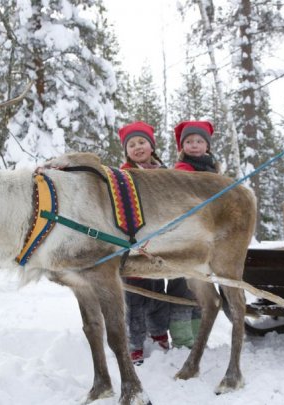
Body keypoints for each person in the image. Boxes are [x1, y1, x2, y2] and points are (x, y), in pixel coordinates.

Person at [118, 121, 170, 365]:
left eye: (141, 142)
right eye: (132, 144)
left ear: (151, 146)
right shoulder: (122, 175)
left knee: (157, 291)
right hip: (133, 242)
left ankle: (159, 334)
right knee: (134, 297)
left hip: (159, 241)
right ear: (126, 151)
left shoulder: (164, 172)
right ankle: (135, 343)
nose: (137, 147)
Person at [167, 120, 219, 348]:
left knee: (201, 286)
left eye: (199, 141)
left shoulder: (212, 168)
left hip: (205, 236)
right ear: (182, 146)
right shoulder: (182, 170)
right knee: (181, 286)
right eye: (189, 141)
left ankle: (198, 335)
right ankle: (181, 337)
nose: (194, 145)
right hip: (183, 236)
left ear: (207, 145)